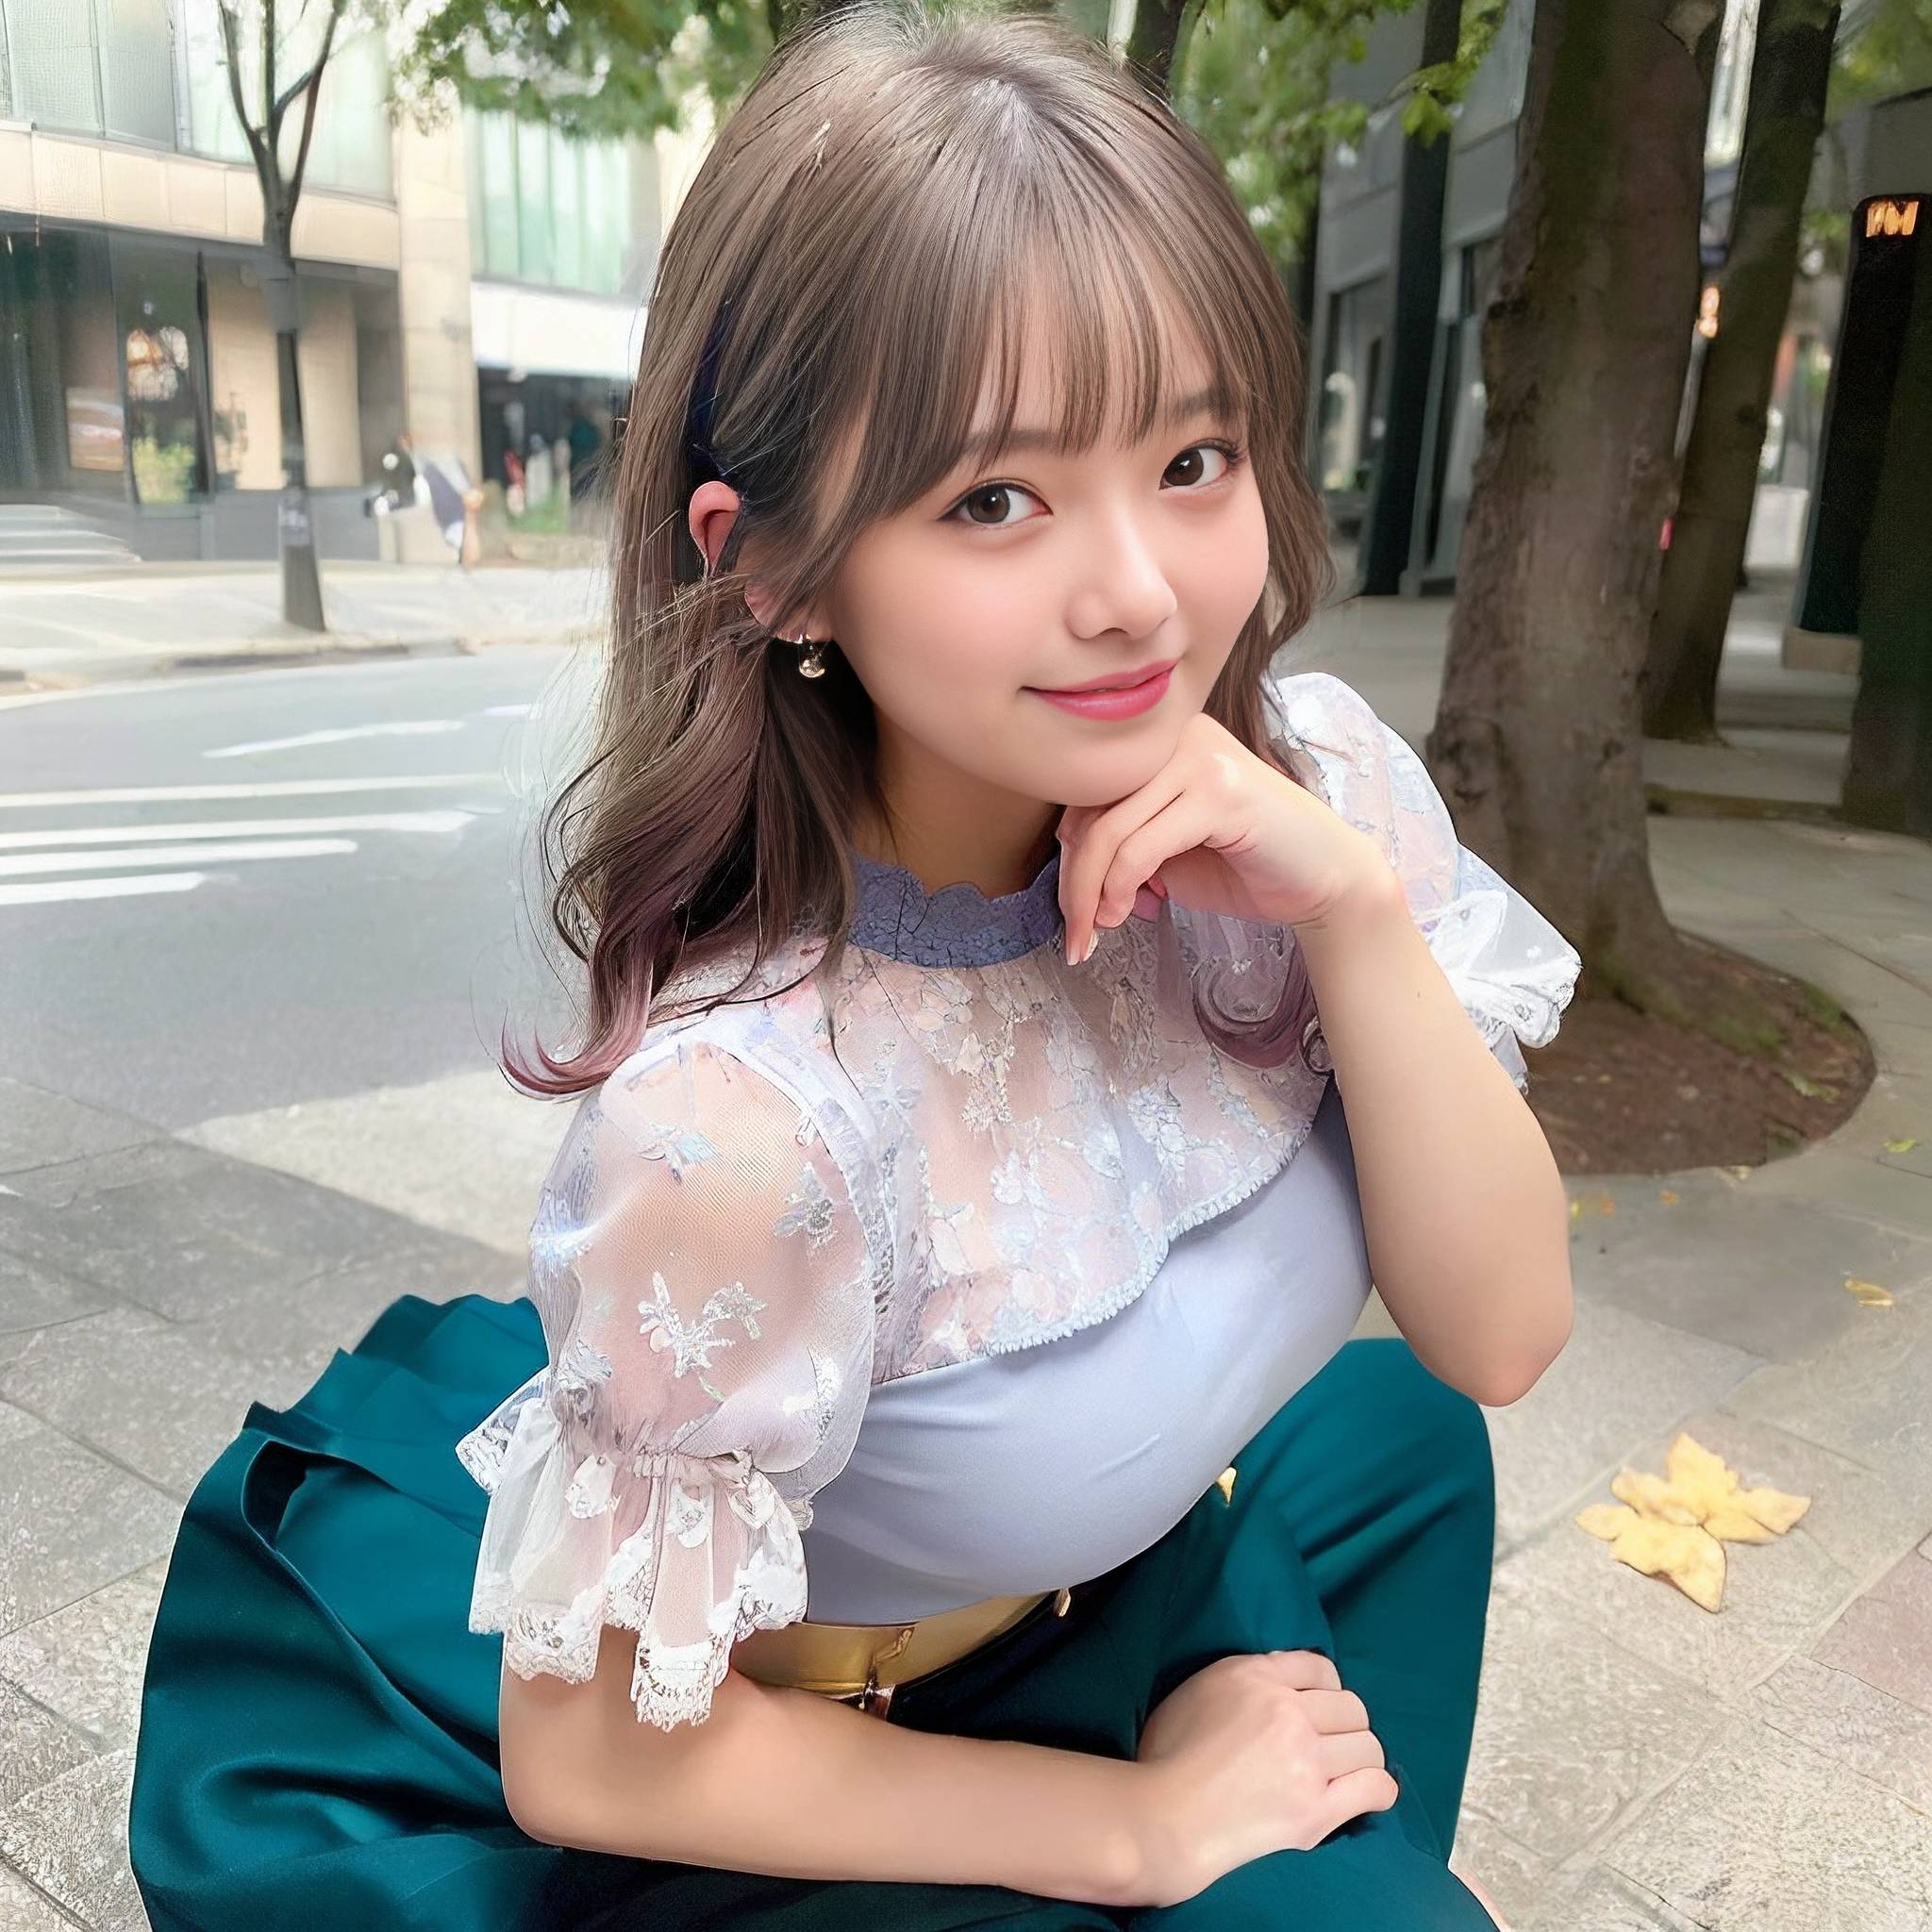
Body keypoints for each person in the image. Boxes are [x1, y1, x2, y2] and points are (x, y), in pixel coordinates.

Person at [126, 5, 1582, 1927]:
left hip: (1121, 1568)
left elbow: (1497, 1339)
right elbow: (588, 1754)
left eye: (1193, 454)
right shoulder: (745, 1120)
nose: (1138, 589)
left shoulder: (1297, 790)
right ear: (779, 570)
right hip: (820, 1745)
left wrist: (1356, 920)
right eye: (995, 497)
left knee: (1406, 1437)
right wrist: (1134, 1832)